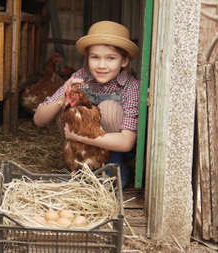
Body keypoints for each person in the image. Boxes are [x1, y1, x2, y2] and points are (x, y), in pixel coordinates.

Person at [33, 20, 140, 187]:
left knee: (108, 109)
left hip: (116, 149)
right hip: (81, 151)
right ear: (87, 58)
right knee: (66, 111)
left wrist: (78, 136)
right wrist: (64, 97)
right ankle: (81, 169)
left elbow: (126, 142)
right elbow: (39, 120)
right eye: (95, 57)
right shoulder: (80, 77)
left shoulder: (131, 87)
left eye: (111, 58)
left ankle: (114, 168)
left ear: (124, 61)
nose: (102, 65)